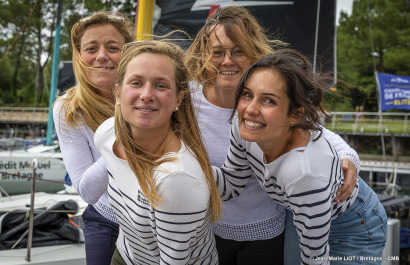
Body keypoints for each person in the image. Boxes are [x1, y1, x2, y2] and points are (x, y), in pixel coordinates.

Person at [184, 6, 361, 265]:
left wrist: (348, 157)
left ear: (253, 53)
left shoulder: (274, 102)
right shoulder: (190, 100)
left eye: (238, 51)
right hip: (213, 225)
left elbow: (317, 132)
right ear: (204, 54)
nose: (226, 61)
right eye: (217, 52)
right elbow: (231, 181)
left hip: (270, 224)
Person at [214, 49, 387, 264]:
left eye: (268, 101)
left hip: (352, 223)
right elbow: (231, 185)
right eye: (247, 94)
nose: (250, 109)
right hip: (305, 212)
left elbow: (315, 260)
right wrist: (181, 165)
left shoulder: (303, 173)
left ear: (295, 115)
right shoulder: (243, 128)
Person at [94, 40, 222, 265]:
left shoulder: (177, 181)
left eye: (160, 85)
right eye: (136, 82)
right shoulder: (106, 135)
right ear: (117, 92)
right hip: (126, 255)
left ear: (178, 99)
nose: (146, 94)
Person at [53, 11, 134, 265]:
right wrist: (126, 131)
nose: (101, 56)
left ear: (129, 52)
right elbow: (87, 191)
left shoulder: (154, 93)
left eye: (113, 47)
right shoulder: (68, 109)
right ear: (79, 56)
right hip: (107, 217)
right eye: (91, 48)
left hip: (160, 217)